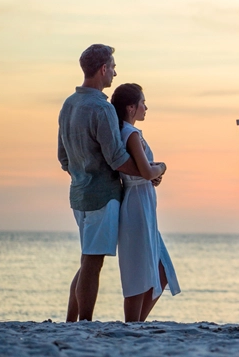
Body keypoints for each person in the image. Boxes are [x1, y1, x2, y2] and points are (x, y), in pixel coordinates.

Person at [57, 44, 160, 322]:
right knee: (93, 262)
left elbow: (63, 158)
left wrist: (81, 174)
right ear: (103, 69)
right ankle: (84, 323)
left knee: (87, 259)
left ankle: (71, 321)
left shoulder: (69, 104)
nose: (114, 72)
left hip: (78, 194)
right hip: (102, 195)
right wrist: (148, 172)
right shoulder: (101, 108)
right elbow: (116, 159)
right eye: (113, 67)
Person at [111, 83, 180, 322]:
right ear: (131, 107)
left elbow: (144, 171)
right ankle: (134, 325)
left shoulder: (126, 133)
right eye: (142, 102)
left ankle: (137, 323)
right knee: (139, 269)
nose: (146, 107)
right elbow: (147, 172)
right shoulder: (131, 134)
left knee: (160, 270)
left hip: (143, 201)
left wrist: (151, 172)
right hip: (137, 204)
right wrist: (162, 166)